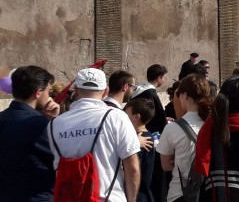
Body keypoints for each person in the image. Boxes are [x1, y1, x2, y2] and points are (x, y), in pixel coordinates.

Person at [49, 68, 141, 202]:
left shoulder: (54, 124)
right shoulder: (116, 117)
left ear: (76, 91)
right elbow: (132, 168)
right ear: (105, 91)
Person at [0, 65, 58, 201]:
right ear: (38, 92)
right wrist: (54, 121)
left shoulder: (2, 118)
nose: (50, 96)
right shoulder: (42, 125)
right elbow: (59, 159)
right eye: (49, 91)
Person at [157, 74, 211, 202]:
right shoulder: (215, 124)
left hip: (180, 192)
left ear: (185, 95)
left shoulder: (172, 128)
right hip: (209, 191)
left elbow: (166, 165)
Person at [125, 98, 158, 202]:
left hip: (136, 194)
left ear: (136, 117)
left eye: (126, 115)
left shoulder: (143, 140)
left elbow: (132, 169)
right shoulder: (143, 136)